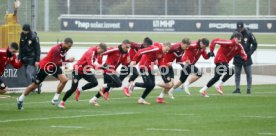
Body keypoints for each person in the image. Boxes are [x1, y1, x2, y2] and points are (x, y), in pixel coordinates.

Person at [17, 38, 75, 110]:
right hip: (45, 66)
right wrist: (68, 61)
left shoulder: (66, 48)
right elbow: (55, 63)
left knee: (64, 80)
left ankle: (55, 99)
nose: (70, 48)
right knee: (34, 86)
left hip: (53, 66)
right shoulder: (56, 49)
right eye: (69, 46)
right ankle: (20, 99)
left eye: (70, 46)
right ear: (65, 43)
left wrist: (65, 64)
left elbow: (62, 58)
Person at [58, 43, 107, 109]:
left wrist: (102, 59)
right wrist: (101, 67)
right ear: (98, 48)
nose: (101, 53)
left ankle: (79, 90)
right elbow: (91, 64)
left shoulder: (97, 52)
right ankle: (62, 102)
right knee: (73, 88)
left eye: (102, 52)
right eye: (101, 52)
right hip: (77, 71)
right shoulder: (91, 52)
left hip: (85, 71)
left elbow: (99, 62)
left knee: (95, 82)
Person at [199, 32, 247, 97]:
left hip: (224, 62)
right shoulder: (229, 42)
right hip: (219, 60)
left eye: (240, 39)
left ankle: (203, 90)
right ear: (234, 38)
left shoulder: (239, 46)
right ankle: (218, 85)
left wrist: (244, 59)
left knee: (216, 78)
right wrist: (211, 51)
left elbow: (244, 54)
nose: (239, 40)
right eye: (238, 39)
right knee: (231, 71)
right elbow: (214, 41)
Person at [89, 40, 131, 106]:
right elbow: (102, 53)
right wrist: (102, 64)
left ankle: (93, 99)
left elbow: (125, 63)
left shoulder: (126, 53)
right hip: (108, 70)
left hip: (112, 70)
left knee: (105, 89)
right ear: (123, 44)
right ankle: (102, 86)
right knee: (119, 83)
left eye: (128, 47)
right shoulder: (114, 49)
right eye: (126, 47)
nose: (127, 49)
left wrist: (128, 62)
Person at [156, 38, 190, 103]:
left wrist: (184, 64)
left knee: (172, 84)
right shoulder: (174, 47)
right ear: (182, 44)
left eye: (188, 47)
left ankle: (160, 98)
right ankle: (154, 83)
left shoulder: (182, 50)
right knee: (169, 85)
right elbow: (163, 51)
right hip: (163, 65)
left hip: (169, 66)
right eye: (186, 46)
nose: (187, 48)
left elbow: (178, 60)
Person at [232, 22, 258, 94]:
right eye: (238, 28)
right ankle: (237, 89)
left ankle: (248, 89)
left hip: (247, 57)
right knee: (237, 74)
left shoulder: (249, 34)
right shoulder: (234, 34)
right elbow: (230, 43)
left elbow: (255, 44)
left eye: (241, 28)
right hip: (237, 57)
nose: (240, 29)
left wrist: (250, 53)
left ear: (243, 27)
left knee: (248, 74)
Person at [19, 24, 41, 93]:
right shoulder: (22, 35)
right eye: (23, 30)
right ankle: (37, 84)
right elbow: (20, 47)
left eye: (25, 31)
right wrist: (20, 57)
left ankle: (34, 86)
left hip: (32, 57)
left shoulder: (34, 37)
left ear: (28, 30)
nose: (24, 32)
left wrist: (37, 60)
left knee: (28, 73)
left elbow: (38, 49)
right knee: (26, 74)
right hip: (24, 58)